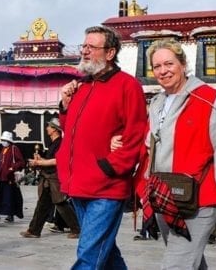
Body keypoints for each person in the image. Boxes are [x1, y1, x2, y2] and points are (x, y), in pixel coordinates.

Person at [141, 39, 216, 269]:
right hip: (165, 196)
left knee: (176, 264)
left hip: (199, 198)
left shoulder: (206, 99)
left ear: (183, 64)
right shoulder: (157, 102)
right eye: (156, 66)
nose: (162, 71)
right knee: (190, 261)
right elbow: (153, 146)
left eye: (169, 63)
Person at [56, 25, 148, 269]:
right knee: (105, 254)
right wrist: (65, 105)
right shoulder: (81, 86)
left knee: (89, 255)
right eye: (84, 46)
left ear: (110, 53)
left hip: (106, 186)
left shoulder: (127, 86)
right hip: (78, 184)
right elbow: (72, 131)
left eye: (91, 47)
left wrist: (110, 166)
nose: (85, 52)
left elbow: (136, 133)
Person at [20, 118, 80, 239]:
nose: (47, 128)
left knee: (60, 203)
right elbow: (49, 160)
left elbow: (57, 161)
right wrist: (40, 160)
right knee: (42, 204)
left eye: (49, 126)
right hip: (47, 178)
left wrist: (39, 163)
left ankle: (77, 229)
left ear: (54, 129)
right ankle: (34, 230)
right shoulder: (52, 143)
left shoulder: (60, 143)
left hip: (54, 178)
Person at [0, 131, 25, 222]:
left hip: (9, 177)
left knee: (9, 197)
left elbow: (21, 162)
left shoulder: (14, 149)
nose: (3, 141)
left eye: (4, 140)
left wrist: (12, 168)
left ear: (8, 140)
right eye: (2, 140)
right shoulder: (3, 149)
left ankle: (10, 215)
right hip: (1, 176)